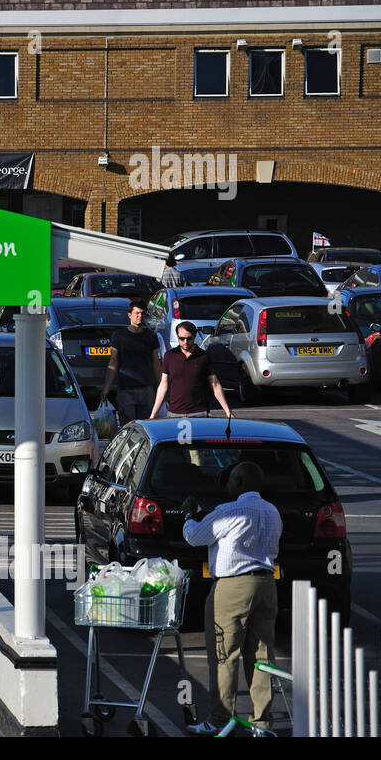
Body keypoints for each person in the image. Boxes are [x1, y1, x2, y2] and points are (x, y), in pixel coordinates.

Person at [181, 461, 282, 735]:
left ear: (239, 483)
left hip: (232, 587)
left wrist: (189, 515)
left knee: (224, 654)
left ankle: (220, 719)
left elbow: (195, 537)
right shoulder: (272, 512)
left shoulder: (229, 510)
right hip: (266, 583)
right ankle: (262, 722)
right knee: (261, 654)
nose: (226, 486)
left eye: (230, 481)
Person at [149, 321, 232, 419]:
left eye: (189, 338)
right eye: (181, 338)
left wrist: (228, 412)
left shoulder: (204, 356)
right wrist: (154, 413)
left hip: (199, 412)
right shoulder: (169, 356)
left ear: (195, 336)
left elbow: (215, 384)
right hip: (175, 413)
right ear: (177, 336)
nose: (185, 342)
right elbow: (163, 386)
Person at [99, 298, 161, 429]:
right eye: (137, 313)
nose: (140, 316)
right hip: (126, 389)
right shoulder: (119, 336)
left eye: (142, 313)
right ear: (129, 315)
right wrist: (106, 389)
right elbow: (113, 362)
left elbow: (156, 363)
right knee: (128, 429)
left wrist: (161, 388)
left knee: (146, 429)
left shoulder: (150, 336)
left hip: (146, 389)